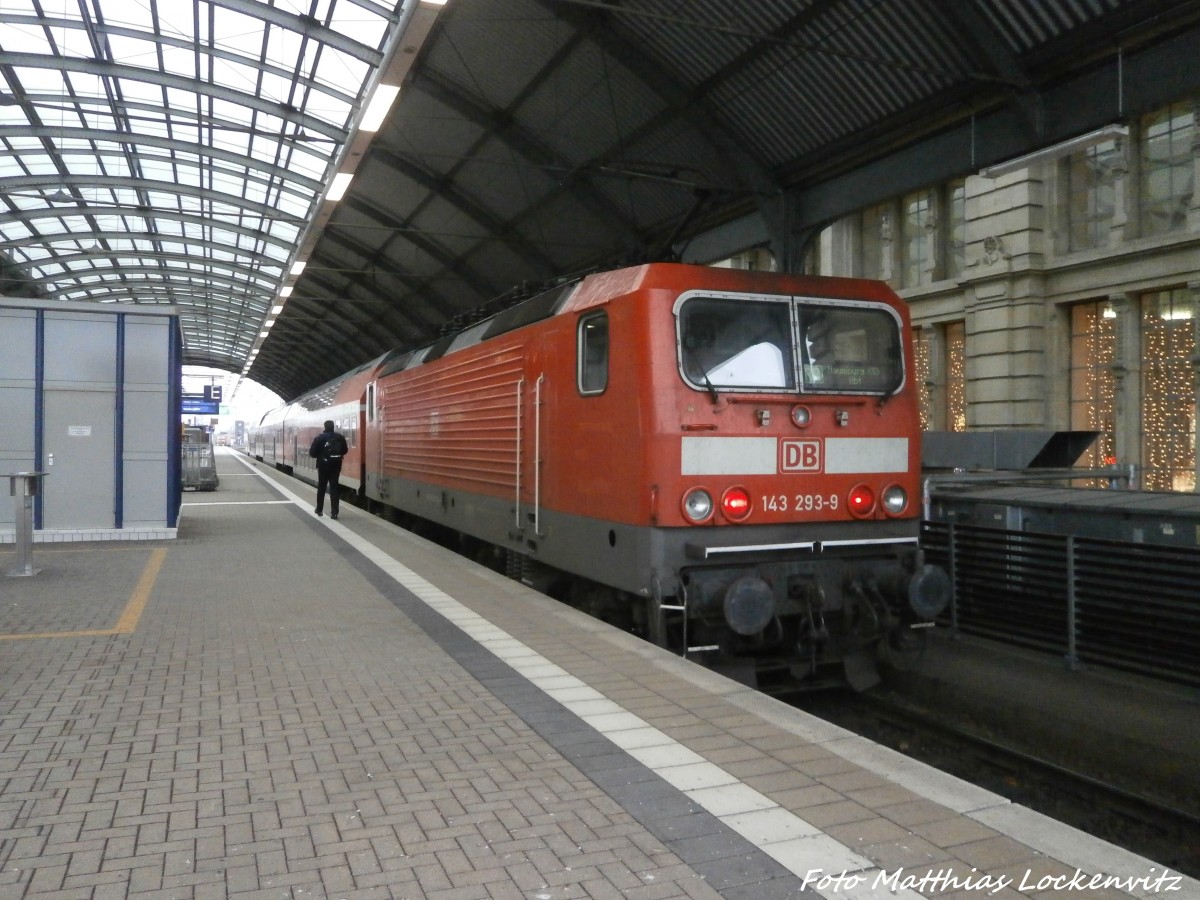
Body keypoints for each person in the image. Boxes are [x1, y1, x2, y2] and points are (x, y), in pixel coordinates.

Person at [309, 420, 348, 519]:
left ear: (325, 427)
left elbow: (312, 453)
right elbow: (345, 450)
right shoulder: (340, 437)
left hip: (323, 466)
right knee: (334, 488)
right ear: (333, 427)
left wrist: (321, 455)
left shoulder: (319, 438)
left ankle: (319, 510)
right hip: (336, 466)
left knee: (321, 487)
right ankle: (334, 513)